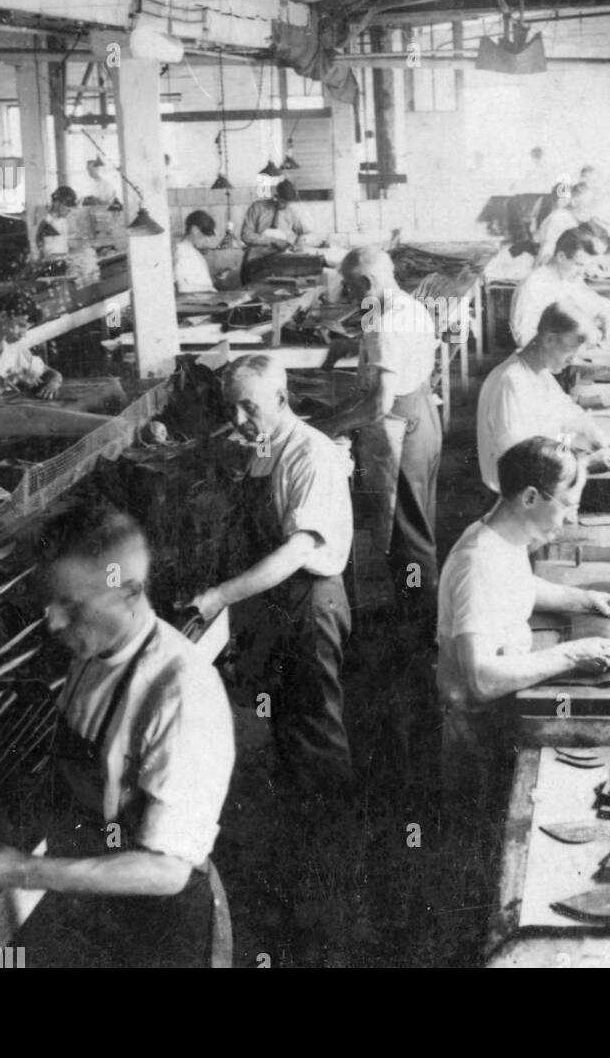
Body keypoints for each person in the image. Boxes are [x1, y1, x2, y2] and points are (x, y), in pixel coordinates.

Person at [0, 505, 235, 968]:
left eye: (73, 606)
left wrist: (20, 871)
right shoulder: (94, 649)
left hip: (163, 933)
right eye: (50, 601)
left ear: (131, 592)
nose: (54, 623)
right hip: (97, 911)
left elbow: (166, 871)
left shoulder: (180, 694)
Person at [182, 355, 353, 797]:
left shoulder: (309, 454)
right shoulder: (266, 443)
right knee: (287, 719)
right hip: (278, 602)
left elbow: (296, 551)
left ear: (280, 398)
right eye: (231, 408)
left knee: (315, 725)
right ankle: (300, 822)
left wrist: (220, 595)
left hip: (309, 603)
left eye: (249, 408)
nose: (238, 420)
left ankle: (336, 841)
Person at [438, 437, 610, 799]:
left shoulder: (500, 538)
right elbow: (481, 680)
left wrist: (583, 599)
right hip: (481, 728)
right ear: (530, 497)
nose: (570, 517)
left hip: (505, 706)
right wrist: (573, 654)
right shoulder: (477, 563)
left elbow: (518, 584)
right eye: (566, 506)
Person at [316, 245, 441, 624]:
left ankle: (418, 620)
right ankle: (415, 604)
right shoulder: (405, 305)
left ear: (368, 281)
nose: (352, 298)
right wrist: (348, 345)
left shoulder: (388, 323)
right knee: (418, 522)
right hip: (422, 415)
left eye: (353, 289)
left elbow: (377, 405)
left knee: (407, 533)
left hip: (400, 427)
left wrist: (330, 427)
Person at [477, 300, 610, 494]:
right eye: (571, 352)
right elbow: (519, 465)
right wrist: (582, 463)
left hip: (545, 479)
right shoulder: (511, 381)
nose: (573, 361)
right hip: (516, 497)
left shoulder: (539, 372)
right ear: (549, 340)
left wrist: (600, 439)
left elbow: (569, 417)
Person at [510, 227, 610, 348]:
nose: (583, 272)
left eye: (588, 265)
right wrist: (578, 338)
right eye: (579, 265)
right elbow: (525, 340)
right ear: (561, 256)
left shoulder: (569, 279)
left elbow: (598, 304)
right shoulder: (533, 287)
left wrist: (609, 317)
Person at [240, 178, 311, 283]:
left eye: (288, 202)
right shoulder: (257, 207)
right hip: (256, 259)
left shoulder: (291, 212)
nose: (285, 205)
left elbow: (305, 232)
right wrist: (273, 241)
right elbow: (246, 235)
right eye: (283, 201)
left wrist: (298, 244)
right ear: (275, 196)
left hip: (281, 261)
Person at [534, 180, 593, 264]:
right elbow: (546, 249)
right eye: (587, 206)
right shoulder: (559, 218)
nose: (590, 211)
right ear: (574, 202)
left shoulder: (570, 219)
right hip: (551, 264)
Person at [173, 209, 216, 294]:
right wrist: (209, 289)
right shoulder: (180, 252)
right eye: (206, 235)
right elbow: (182, 287)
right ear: (195, 229)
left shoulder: (194, 252)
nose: (208, 240)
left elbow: (197, 282)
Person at [36, 186, 77, 260]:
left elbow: (63, 247)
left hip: (63, 262)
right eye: (67, 207)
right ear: (57, 203)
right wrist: (70, 257)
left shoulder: (62, 221)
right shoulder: (47, 223)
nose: (69, 210)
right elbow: (48, 255)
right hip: (53, 266)